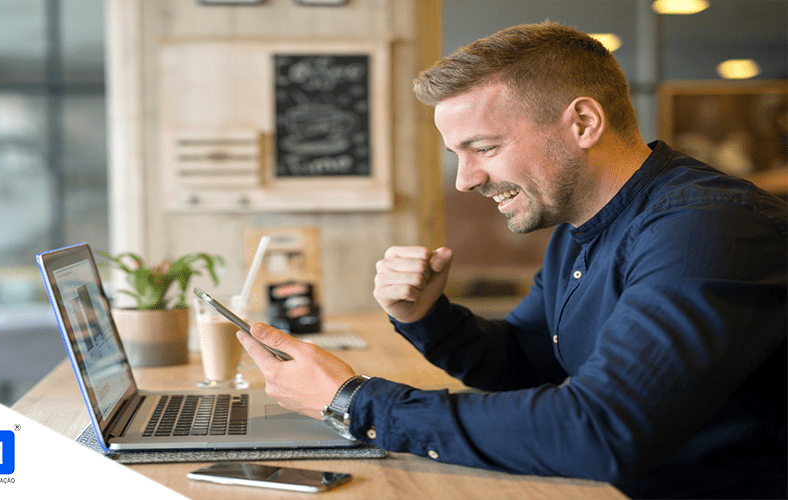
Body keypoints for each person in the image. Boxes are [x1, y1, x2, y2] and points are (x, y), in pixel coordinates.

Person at [236, 22, 787, 499]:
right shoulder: (580, 226)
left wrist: (354, 402)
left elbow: (599, 431)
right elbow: (526, 362)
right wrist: (425, 316)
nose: (466, 179)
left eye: (486, 148)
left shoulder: (708, 228)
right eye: (458, 154)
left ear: (584, 123)